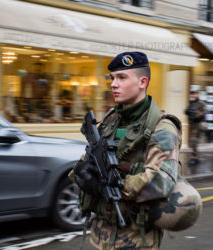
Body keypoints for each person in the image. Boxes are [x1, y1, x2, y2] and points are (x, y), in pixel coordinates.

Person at [70, 52, 182, 249]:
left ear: (142, 82)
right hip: (100, 235)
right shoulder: (112, 119)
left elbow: (161, 181)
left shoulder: (162, 126)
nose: (113, 84)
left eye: (122, 77)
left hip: (135, 239)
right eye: (112, 78)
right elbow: (89, 156)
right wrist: (82, 171)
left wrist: (109, 186)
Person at [185, 90, 207, 164]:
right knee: (193, 141)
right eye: (193, 94)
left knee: (194, 141)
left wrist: (196, 115)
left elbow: (204, 112)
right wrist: (187, 111)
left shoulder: (201, 103)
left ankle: (194, 157)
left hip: (198, 124)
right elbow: (187, 111)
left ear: (198, 95)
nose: (194, 95)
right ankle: (195, 157)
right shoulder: (191, 103)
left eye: (195, 94)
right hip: (193, 124)